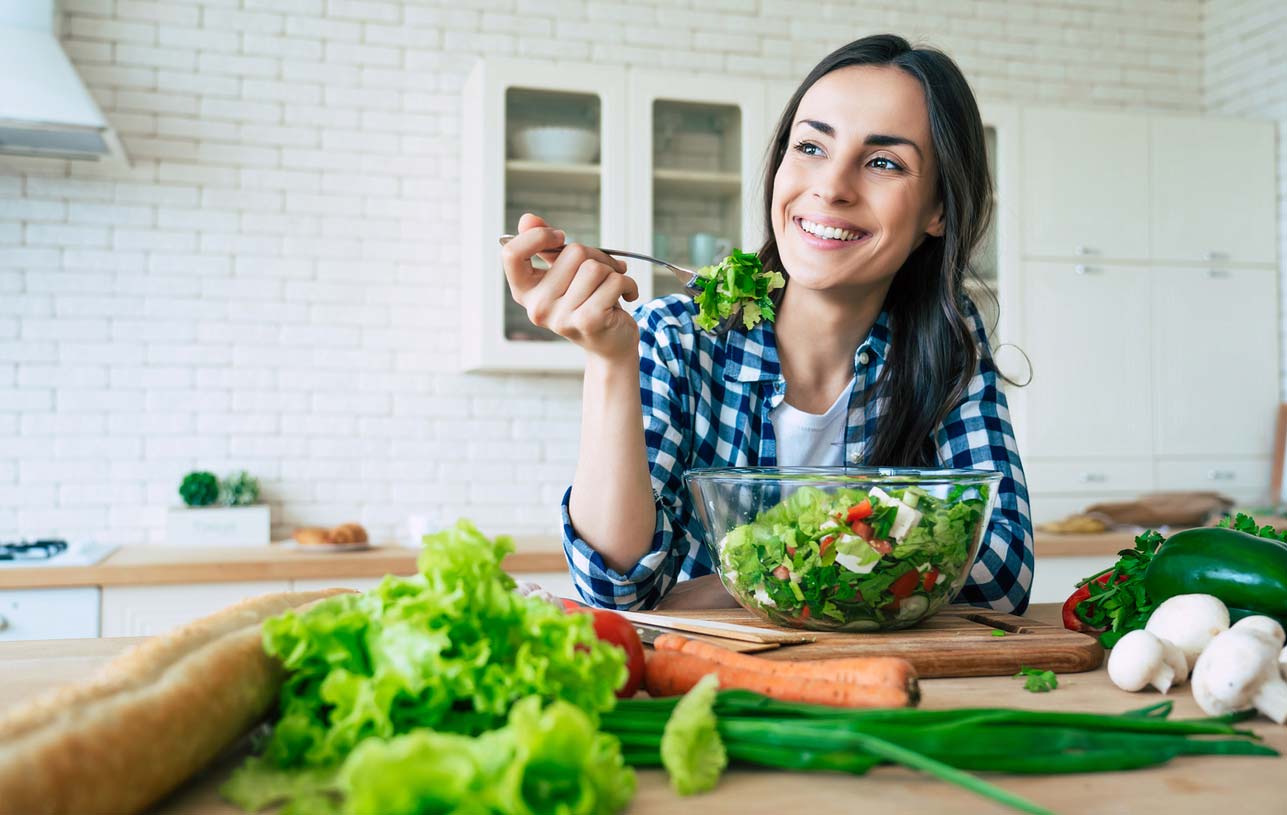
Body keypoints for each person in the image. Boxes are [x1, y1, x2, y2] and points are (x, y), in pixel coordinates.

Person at [500, 34, 1034, 615]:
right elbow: (619, 588)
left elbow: (1000, 574)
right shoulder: (675, 338)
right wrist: (608, 360)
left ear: (938, 209)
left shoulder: (949, 345)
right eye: (810, 147)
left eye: (883, 162)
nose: (831, 187)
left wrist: (738, 582)